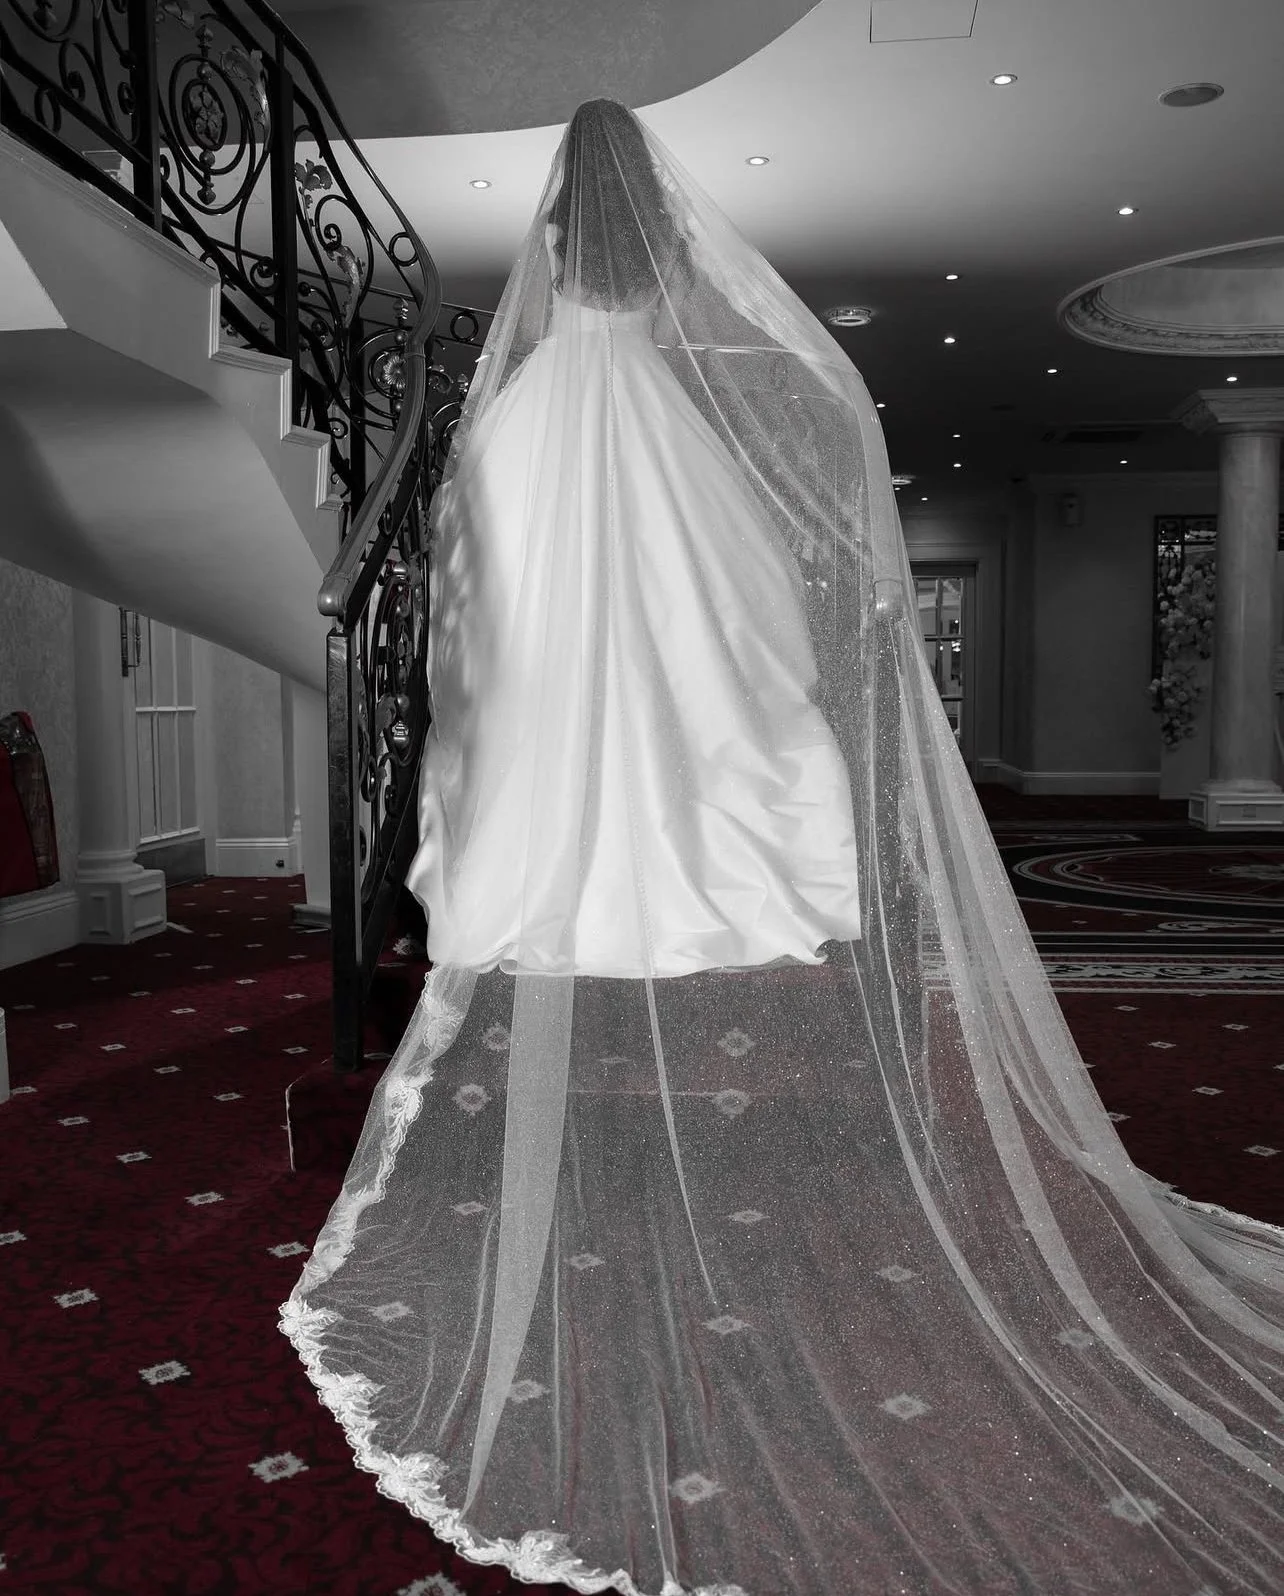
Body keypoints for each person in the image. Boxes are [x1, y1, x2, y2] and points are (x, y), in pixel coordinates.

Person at [282, 100, 1284, 1596]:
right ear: (661, 251)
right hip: (653, 635)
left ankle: (581, 869)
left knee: (580, 688)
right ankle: (677, 863)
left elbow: (481, 612)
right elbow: (739, 592)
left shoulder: (513, 408)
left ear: (555, 248)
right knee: (695, 655)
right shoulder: (688, 410)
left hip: (545, 698)